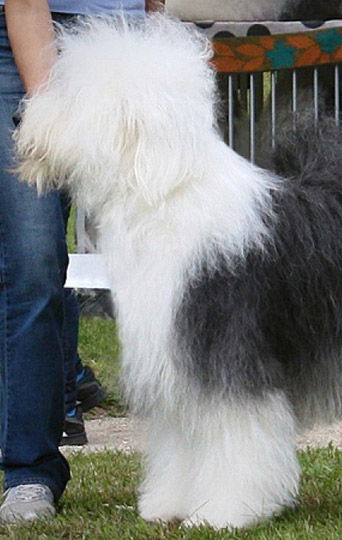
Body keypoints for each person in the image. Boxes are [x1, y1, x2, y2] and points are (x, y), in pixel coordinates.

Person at [0, 0, 162, 523]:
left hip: (120, 39)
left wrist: (155, 36)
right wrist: (52, 111)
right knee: (32, 260)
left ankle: (210, 460)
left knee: (172, 260)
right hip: (23, 33)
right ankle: (29, 471)